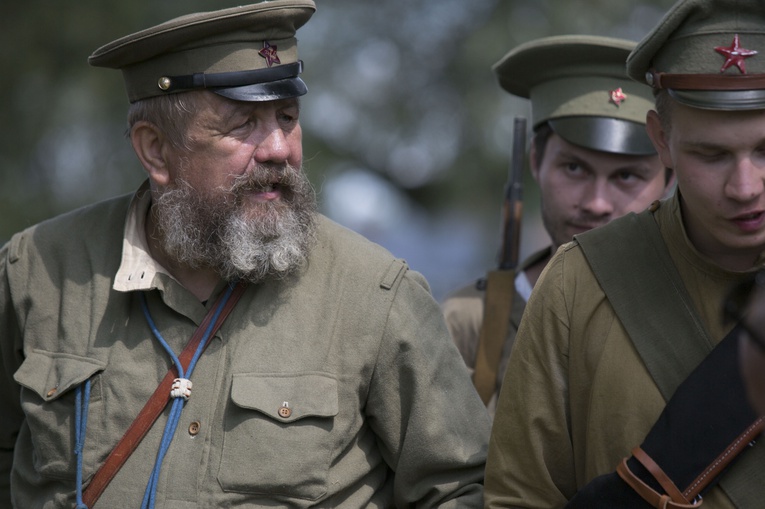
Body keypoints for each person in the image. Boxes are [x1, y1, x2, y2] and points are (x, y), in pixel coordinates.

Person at [0, 1, 491, 507]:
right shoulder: (37, 271)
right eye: (243, 125)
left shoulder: (377, 294)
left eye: (287, 116)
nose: (279, 148)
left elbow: (459, 490)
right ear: (155, 150)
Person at [485, 0, 765, 506]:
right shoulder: (580, 282)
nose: (745, 187)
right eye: (712, 154)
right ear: (662, 140)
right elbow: (521, 495)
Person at [441, 35, 673, 417]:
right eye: (575, 168)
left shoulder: (704, 312)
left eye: (627, 176)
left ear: (669, 178)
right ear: (536, 161)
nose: (597, 203)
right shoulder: (469, 322)